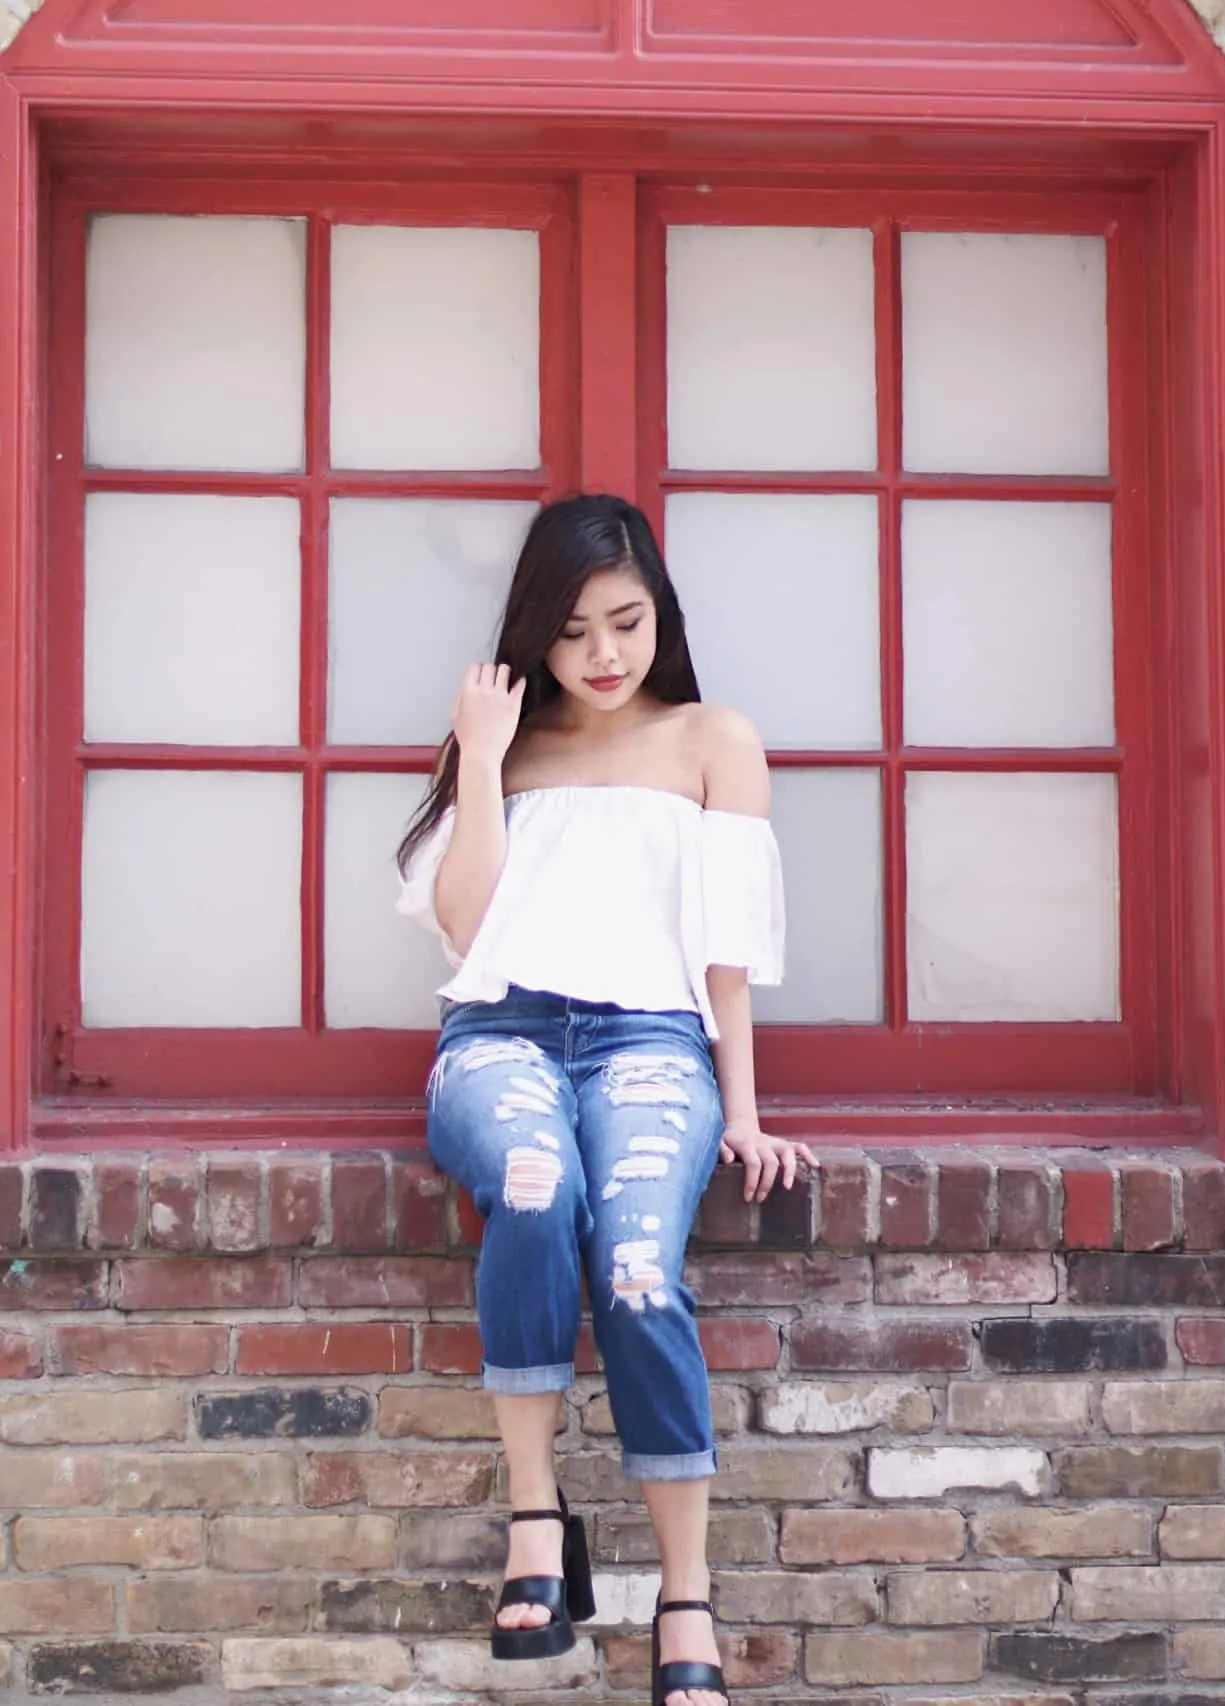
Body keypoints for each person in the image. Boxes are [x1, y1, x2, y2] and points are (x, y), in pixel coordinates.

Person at [396, 493, 817, 1706]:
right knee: (533, 1191)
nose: (602, 654)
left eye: (624, 622)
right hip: (500, 1032)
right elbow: (465, 927)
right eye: (573, 629)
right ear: (535, 631)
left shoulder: (709, 740)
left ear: (658, 616)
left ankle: (685, 1590)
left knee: (635, 1261)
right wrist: (476, 753)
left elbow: (725, 952)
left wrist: (741, 1109)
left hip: (650, 1038)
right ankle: (538, 1519)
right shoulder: (508, 743)